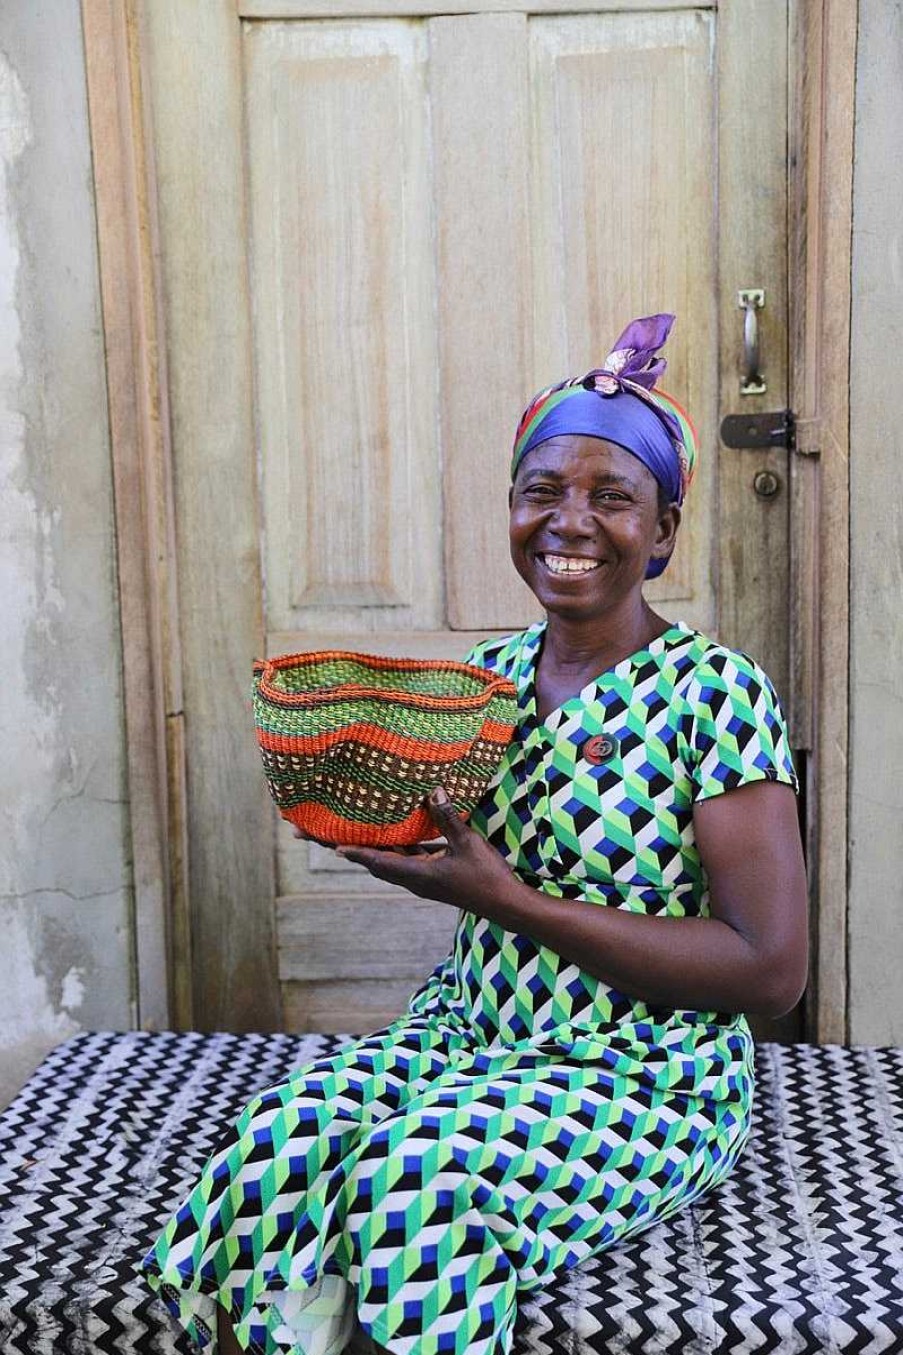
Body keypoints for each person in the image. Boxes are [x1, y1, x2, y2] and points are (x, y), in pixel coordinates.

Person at [141, 314, 808, 1355]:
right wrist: (370, 813)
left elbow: (770, 971)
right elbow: (437, 836)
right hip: (470, 1033)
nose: (570, 521)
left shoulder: (714, 695)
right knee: (276, 1146)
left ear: (665, 530)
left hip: (642, 1072)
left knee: (411, 1178)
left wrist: (506, 899)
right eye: (543, 492)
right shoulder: (483, 684)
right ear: (510, 508)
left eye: (611, 496)